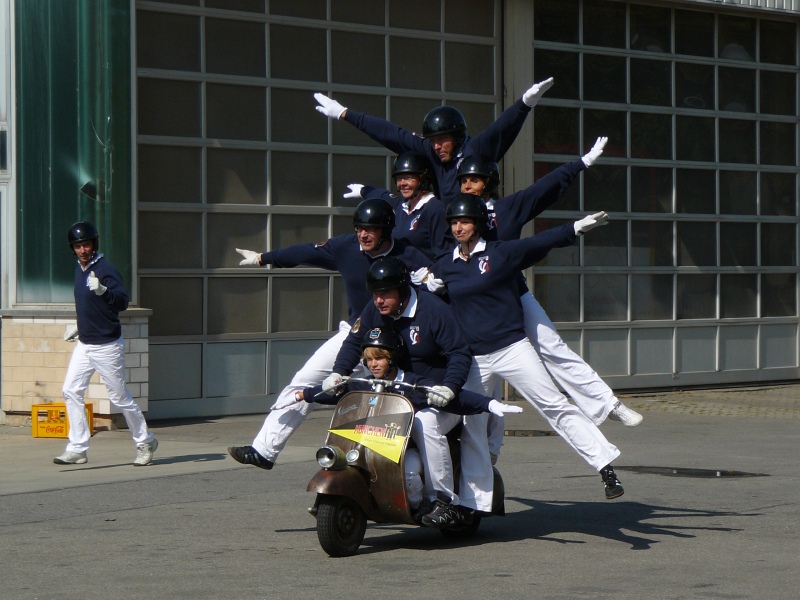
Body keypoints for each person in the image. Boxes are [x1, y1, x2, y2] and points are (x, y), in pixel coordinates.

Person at [428, 195, 626, 500]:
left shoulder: (500, 253)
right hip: (475, 359)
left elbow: (539, 243)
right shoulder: (445, 265)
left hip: (512, 348)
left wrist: (576, 228)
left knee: (554, 405)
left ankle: (605, 467)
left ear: (479, 224)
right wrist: (424, 285)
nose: (458, 227)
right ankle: (473, 503)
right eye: (454, 222)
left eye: (464, 221)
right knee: (472, 425)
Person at [226, 199, 431, 470]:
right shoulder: (346, 247)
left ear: (387, 230)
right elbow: (304, 253)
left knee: (402, 406)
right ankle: (264, 450)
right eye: (359, 228)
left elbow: (441, 287)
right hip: (357, 334)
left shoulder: (409, 255)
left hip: (401, 341)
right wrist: (264, 258)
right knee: (302, 383)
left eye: (371, 229)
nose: (363, 235)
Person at [455, 145, 643, 432]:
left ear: (489, 184)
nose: (468, 185)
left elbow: (544, 188)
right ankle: (489, 452)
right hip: (472, 304)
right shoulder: (453, 215)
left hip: (511, 294)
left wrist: (580, 163)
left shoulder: (507, 208)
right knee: (482, 379)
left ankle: (607, 403)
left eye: (475, 180)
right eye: (464, 181)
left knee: (552, 346)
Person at [294, 326, 522, 528]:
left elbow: (453, 398)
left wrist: (488, 403)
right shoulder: (362, 383)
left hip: (404, 448)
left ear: (392, 358)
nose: (373, 364)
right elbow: (338, 393)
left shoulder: (411, 383)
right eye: (369, 359)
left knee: (410, 471)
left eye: (380, 358)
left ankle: (425, 506)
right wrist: (306, 393)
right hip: (375, 445)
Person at [313, 77, 554, 202]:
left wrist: (525, 103)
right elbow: (390, 133)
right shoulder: (429, 150)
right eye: (432, 140)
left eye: (442, 140)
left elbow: (502, 128)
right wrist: (346, 114)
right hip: (447, 238)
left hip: (484, 236)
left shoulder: (475, 150)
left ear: (458, 137)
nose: (436, 146)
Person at [54, 221, 158, 466]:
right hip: (85, 343)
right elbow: (89, 307)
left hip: (107, 346)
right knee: (71, 390)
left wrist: (104, 291)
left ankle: (145, 441)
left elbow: (121, 302)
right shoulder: (79, 269)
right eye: (78, 246)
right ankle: (78, 448)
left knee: (120, 398)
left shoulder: (105, 269)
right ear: (73, 249)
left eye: (86, 244)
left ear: (94, 244)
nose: (82, 250)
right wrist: (80, 326)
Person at [343, 151, 449, 260]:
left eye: (408, 177)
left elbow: (444, 253)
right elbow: (383, 195)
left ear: (423, 179)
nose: (402, 183)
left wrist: (434, 275)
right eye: (399, 178)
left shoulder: (435, 208)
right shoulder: (401, 204)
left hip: (425, 274)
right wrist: (363, 190)